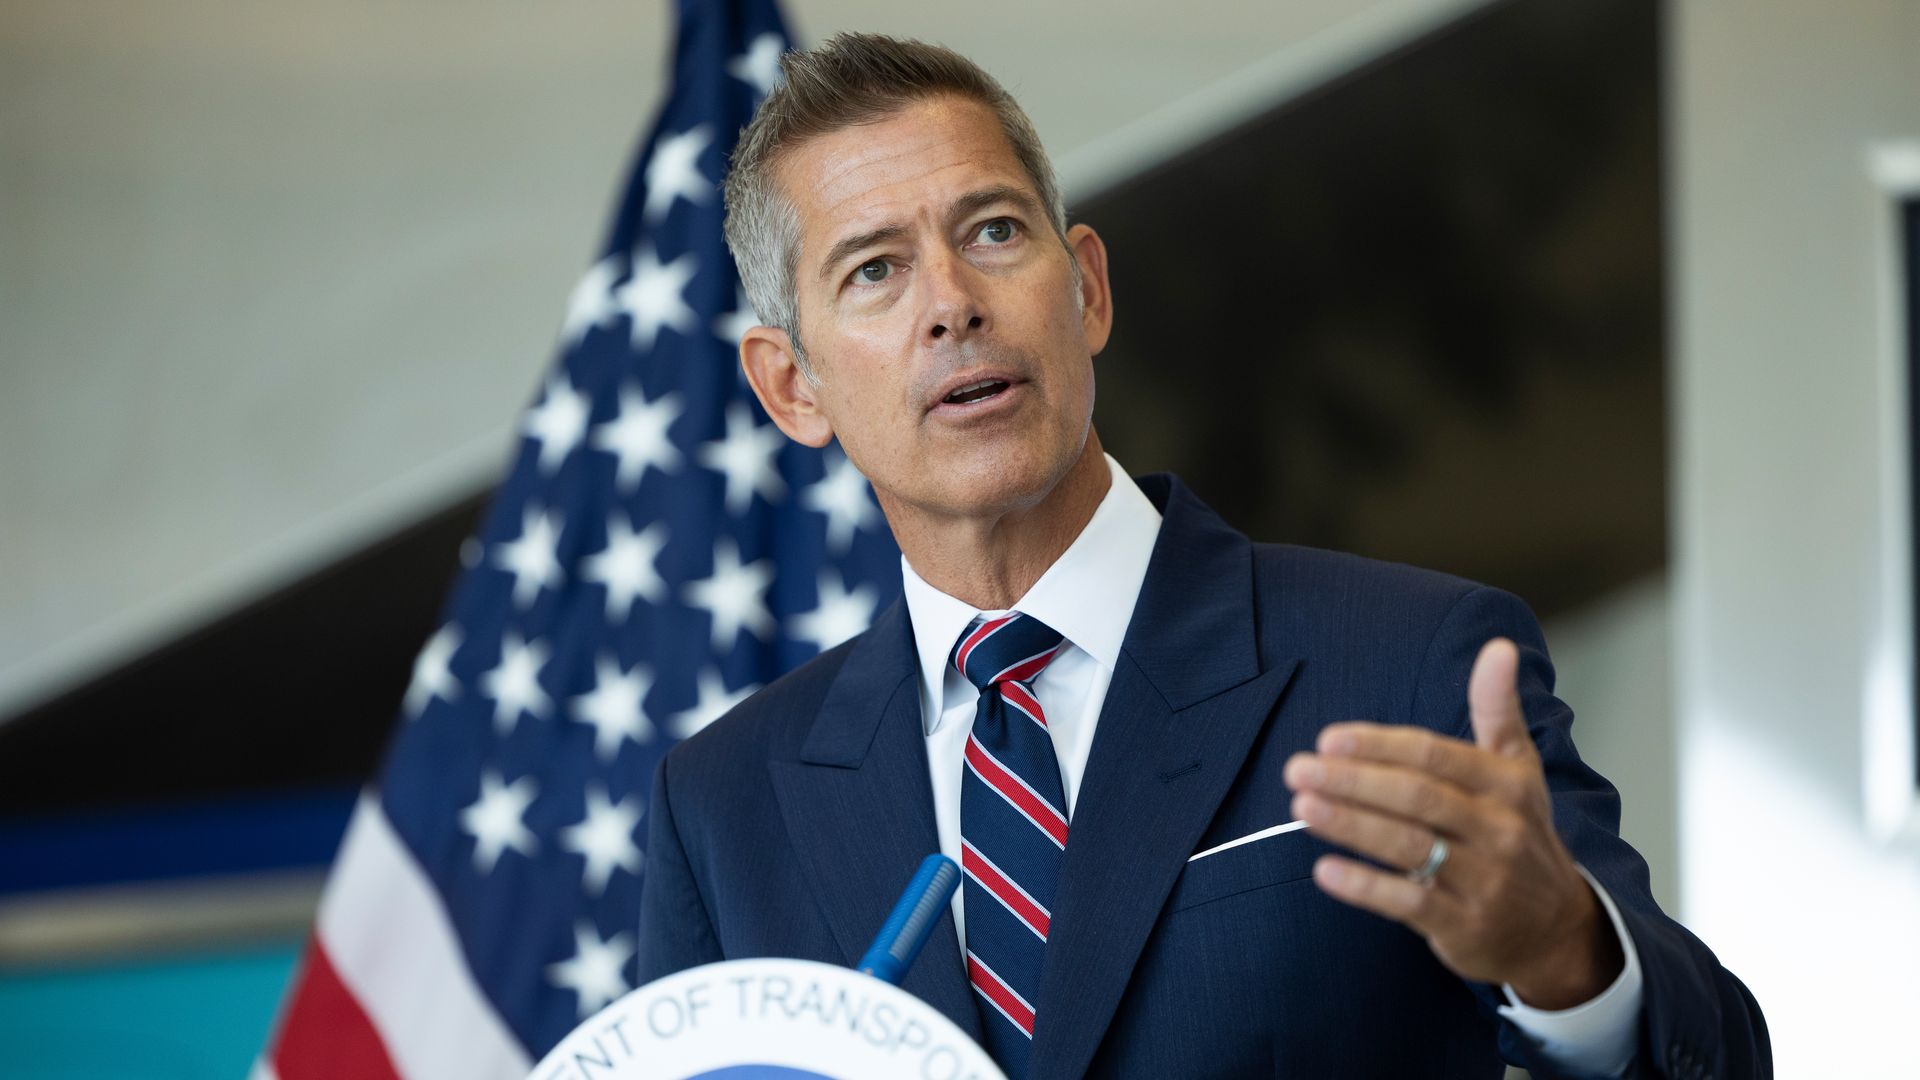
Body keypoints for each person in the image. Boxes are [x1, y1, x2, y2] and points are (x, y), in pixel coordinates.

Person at [637, 32, 1768, 1080]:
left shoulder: (1415, 659)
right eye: (874, 270)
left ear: (1087, 288)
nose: (952, 304)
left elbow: (1716, 1054)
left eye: (992, 231)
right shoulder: (724, 807)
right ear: (793, 387)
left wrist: (1563, 947)